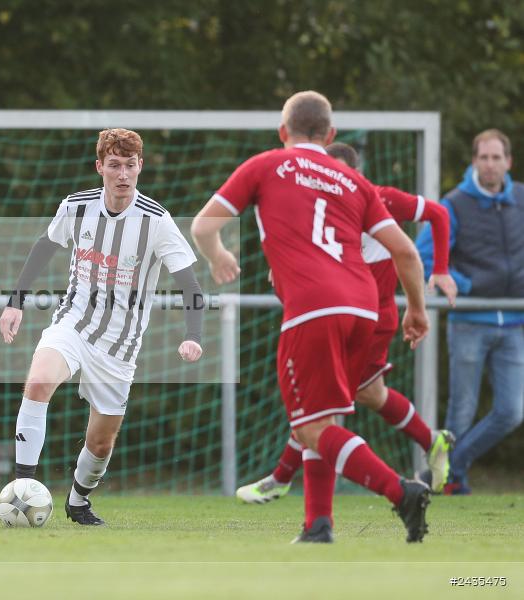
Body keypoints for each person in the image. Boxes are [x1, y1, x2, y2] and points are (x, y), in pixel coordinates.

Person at [191, 91, 432, 543]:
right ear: (331, 135)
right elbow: (405, 251)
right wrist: (417, 310)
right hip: (363, 308)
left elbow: (204, 226)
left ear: (283, 132)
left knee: (309, 426)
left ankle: (401, 491)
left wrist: (218, 256)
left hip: (314, 308)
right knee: (323, 420)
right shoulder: (353, 181)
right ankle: (318, 524)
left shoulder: (266, 165)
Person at [0, 128, 204, 526]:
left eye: (130, 165)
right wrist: (14, 301)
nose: (122, 174)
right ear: (100, 168)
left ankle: (78, 501)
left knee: (101, 442)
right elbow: (45, 247)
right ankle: (21, 491)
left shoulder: (156, 221)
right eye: (114, 165)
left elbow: (191, 286)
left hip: (120, 346)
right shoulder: (76, 207)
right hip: (72, 323)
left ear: (140, 167)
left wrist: (193, 336)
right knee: (38, 382)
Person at [236, 142, 458, 504]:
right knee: (369, 394)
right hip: (347, 313)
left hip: (370, 317)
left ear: (352, 173)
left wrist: (442, 270)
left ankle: (282, 478)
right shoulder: (310, 208)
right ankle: (431, 441)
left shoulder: (377, 198)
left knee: (319, 403)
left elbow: (437, 213)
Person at [416, 128, 524, 495]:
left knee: (511, 412)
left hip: (514, 323)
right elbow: (425, 257)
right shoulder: (453, 204)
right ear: (474, 161)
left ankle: (450, 468)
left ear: (508, 162)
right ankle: (450, 479)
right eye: (484, 158)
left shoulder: (522, 200)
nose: (490, 165)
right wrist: (464, 284)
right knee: (461, 412)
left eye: (497, 158)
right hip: (469, 322)